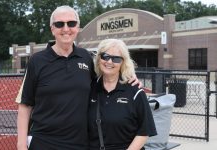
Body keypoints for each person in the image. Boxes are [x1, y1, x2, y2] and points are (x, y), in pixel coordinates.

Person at [16, 6, 141, 150]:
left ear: (78, 28)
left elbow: (109, 73)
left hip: (79, 143)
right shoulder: (37, 61)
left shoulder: (86, 57)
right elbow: (25, 105)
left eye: (71, 23)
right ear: (52, 29)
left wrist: (130, 75)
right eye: (59, 24)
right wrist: (21, 145)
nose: (66, 28)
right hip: (43, 142)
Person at [88, 39, 157, 150]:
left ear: (123, 63)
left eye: (116, 59)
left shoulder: (135, 91)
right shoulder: (90, 88)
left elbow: (144, 131)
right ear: (98, 59)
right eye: (105, 56)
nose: (109, 62)